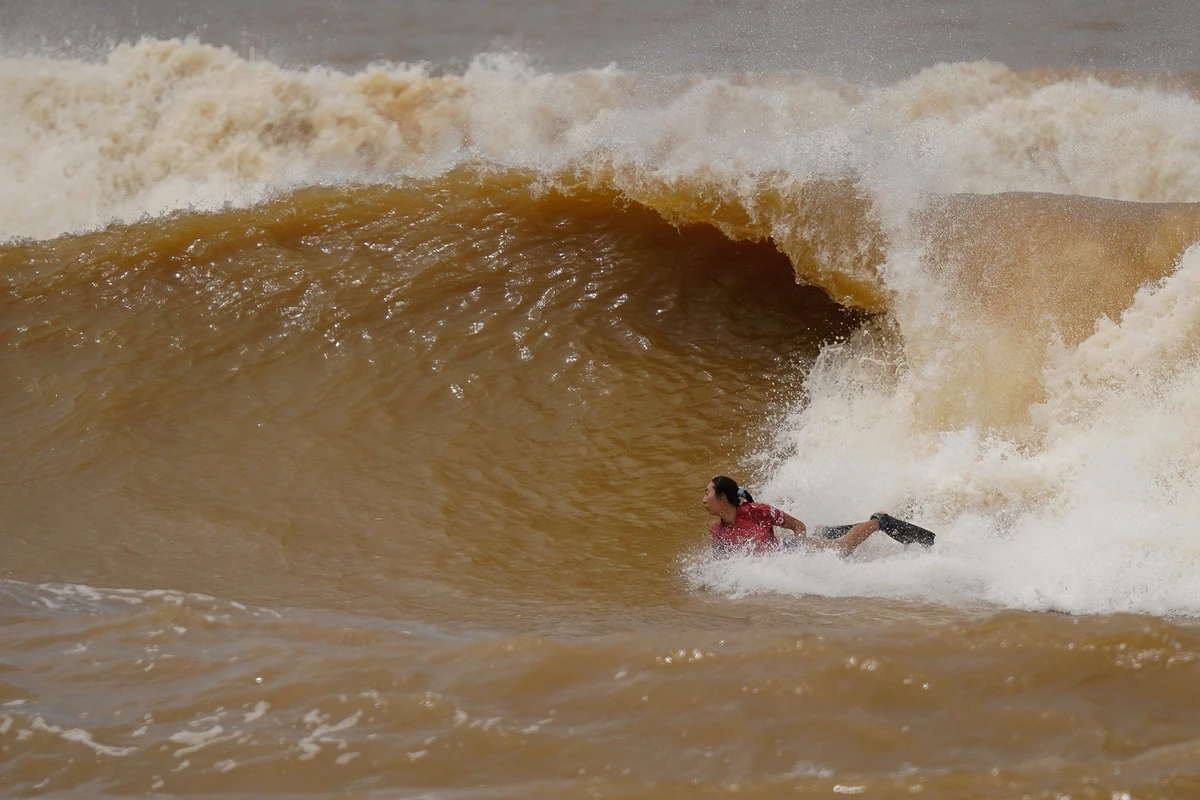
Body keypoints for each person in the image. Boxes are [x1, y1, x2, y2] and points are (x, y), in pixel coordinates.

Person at [702, 475, 934, 556]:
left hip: (791, 548)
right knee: (828, 540)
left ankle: (878, 520)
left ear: (722, 498)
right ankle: (824, 532)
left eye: (707, 493)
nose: (703, 500)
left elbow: (797, 525)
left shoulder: (755, 512)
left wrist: (803, 551)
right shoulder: (717, 531)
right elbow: (723, 560)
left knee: (843, 548)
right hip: (781, 556)